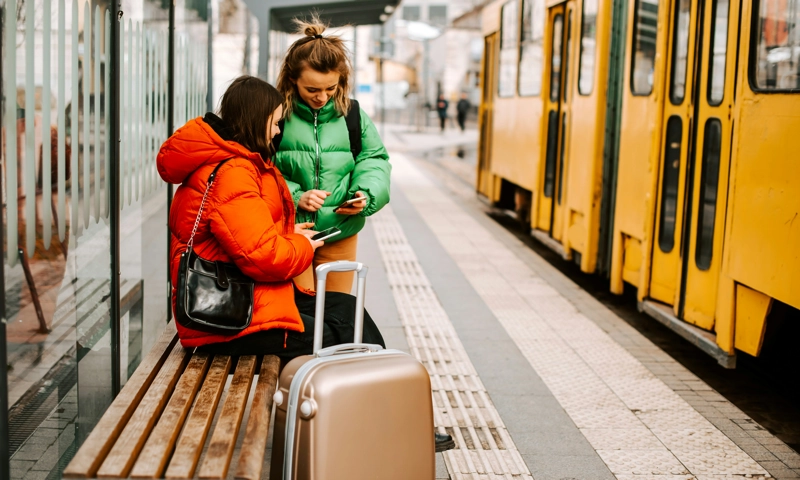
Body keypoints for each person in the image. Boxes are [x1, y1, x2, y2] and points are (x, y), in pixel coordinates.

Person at [157, 75, 385, 360]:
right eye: (275, 123)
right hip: (226, 319)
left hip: (244, 297)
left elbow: (245, 236)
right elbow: (263, 256)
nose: (278, 132)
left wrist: (289, 232)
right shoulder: (234, 173)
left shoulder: (237, 162)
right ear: (257, 120)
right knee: (349, 334)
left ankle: (363, 396)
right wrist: (304, 245)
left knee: (348, 310)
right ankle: (352, 400)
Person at [273, 17, 391, 295]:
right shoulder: (275, 113)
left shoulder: (352, 113)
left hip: (340, 231)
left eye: (331, 88)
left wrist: (364, 194)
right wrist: (295, 195)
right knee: (298, 317)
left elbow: (374, 159)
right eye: (312, 89)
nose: (322, 97)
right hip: (289, 231)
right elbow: (256, 167)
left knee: (336, 314)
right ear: (292, 79)